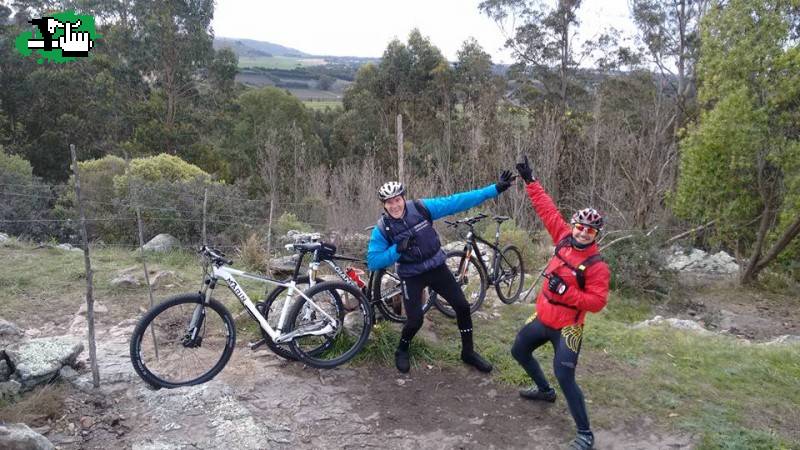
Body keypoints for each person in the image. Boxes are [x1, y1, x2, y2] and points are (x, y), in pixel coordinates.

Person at [367, 172, 514, 373]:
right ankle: (402, 349)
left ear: (403, 198)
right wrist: (397, 249)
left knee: (462, 306)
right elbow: (373, 261)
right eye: (389, 202)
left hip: (437, 267)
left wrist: (494, 189)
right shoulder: (383, 228)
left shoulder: (420, 208)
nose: (395, 205)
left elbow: (457, 201)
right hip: (411, 275)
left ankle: (468, 353)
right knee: (415, 320)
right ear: (384, 205)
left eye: (397, 200)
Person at [510, 156, 610, 450]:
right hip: (543, 317)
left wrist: (566, 290)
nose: (582, 232)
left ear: (595, 235)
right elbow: (547, 209)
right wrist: (530, 181)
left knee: (565, 375)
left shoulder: (597, 265)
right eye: (580, 226)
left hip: (569, 327)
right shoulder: (563, 238)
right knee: (518, 351)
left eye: (589, 231)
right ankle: (543, 391)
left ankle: (585, 434)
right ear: (574, 225)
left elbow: (597, 302)